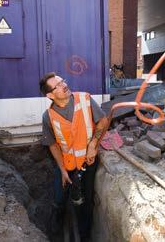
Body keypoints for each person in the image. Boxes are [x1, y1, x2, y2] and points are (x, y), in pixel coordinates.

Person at [39, 72, 108, 240]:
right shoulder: (48, 116)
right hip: (66, 164)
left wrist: (93, 145)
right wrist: (62, 170)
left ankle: (84, 234)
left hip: (88, 161)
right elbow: (53, 145)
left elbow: (103, 121)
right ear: (50, 95)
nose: (64, 85)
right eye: (58, 85)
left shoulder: (84, 99)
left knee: (86, 202)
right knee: (59, 197)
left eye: (63, 81)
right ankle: (56, 225)